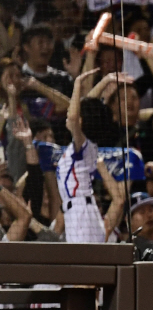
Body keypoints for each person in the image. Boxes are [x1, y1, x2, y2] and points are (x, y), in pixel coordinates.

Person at [56, 68, 116, 243]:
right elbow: (87, 108)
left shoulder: (84, 145)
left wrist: (77, 84)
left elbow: (74, 116)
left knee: (85, 266)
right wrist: (105, 81)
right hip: (79, 212)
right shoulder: (85, 146)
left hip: (81, 211)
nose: (70, 114)